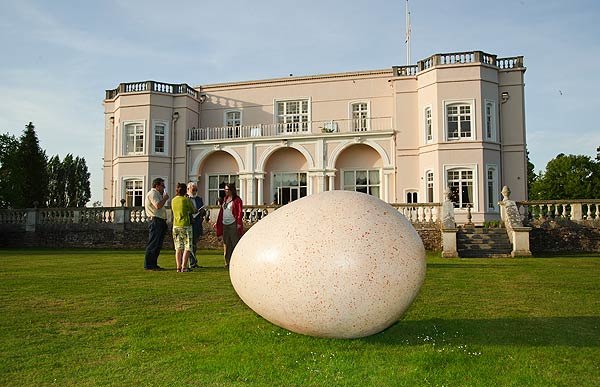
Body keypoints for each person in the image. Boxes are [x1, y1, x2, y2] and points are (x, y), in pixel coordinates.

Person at [215, 182, 244, 267]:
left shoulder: (237, 200)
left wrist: (238, 223)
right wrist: (218, 223)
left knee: (234, 243)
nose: (225, 191)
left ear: (231, 190)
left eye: (227, 189)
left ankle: (237, 261)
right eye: (225, 189)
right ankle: (227, 262)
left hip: (233, 224)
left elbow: (239, 212)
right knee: (226, 244)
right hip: (225, 224)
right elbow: (222, 211)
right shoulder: (225, 199)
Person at [144, 177, 169, 271]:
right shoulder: (153, 193)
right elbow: (158, 206)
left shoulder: (157, 194)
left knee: (157, 244)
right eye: (162, 185)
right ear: (157, 186)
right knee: (153, 243)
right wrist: (165, 198)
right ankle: (149, 264)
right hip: (155, 221)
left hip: (159, 220)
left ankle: (153, 263)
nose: (164, 187)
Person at [171, 183, 195, 272]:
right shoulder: (186, 200)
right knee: (187, 247)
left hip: (176, 225)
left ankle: (178, 267)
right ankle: (184, 267)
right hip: (185, 225)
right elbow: (193, 210)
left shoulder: (173, 200)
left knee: (178, 247)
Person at [187, 181, 205, 268]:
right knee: (189, 244)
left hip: (197, 224)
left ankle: (193, 262)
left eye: (196, 190)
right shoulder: (186, 199)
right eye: (193, 190)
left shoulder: (199, 199)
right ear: (188, 189)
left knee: (194, 244)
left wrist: (202, 212)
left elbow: (202, 210)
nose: (194, 192)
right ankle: (191, 262)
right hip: (188, 223)